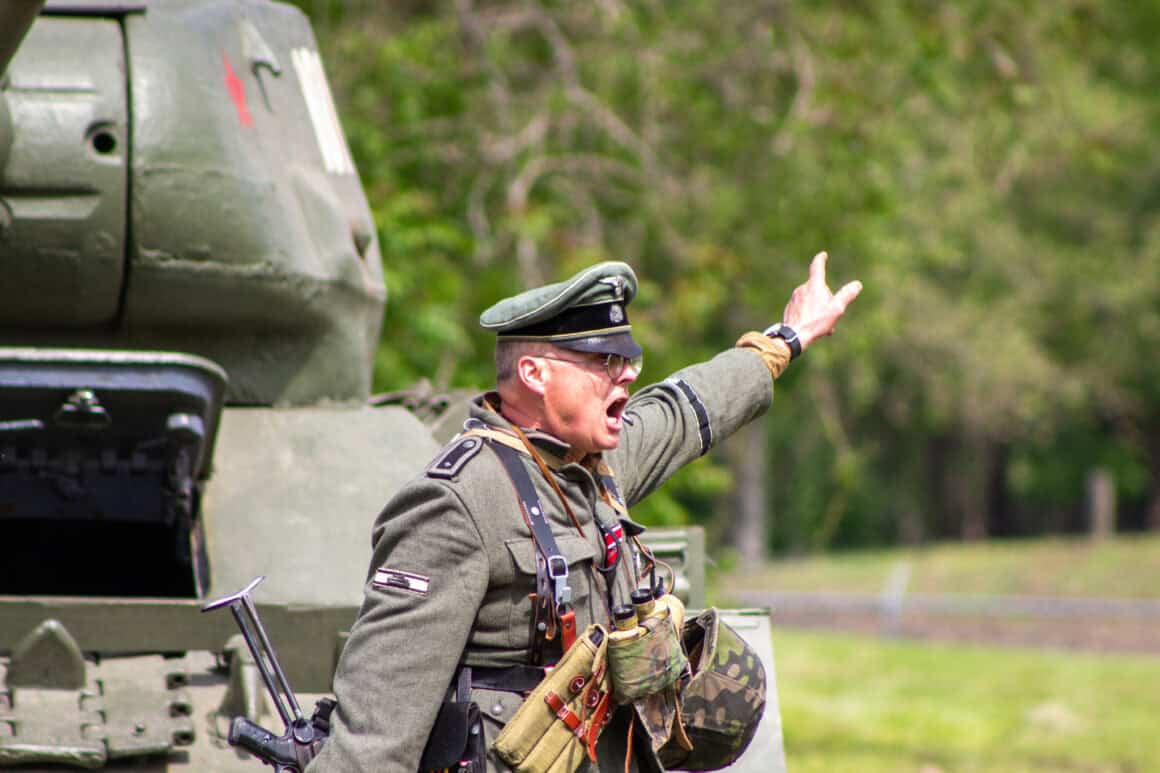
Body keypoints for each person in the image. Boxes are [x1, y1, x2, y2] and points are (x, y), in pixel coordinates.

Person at [307, 252, 861, 772]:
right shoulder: (458, 501)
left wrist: (784, 340)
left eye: (627, 358)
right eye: (603, 360)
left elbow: (688, 408)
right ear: (534, 374)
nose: (627, 374)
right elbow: (376, 736)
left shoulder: (596, 467)